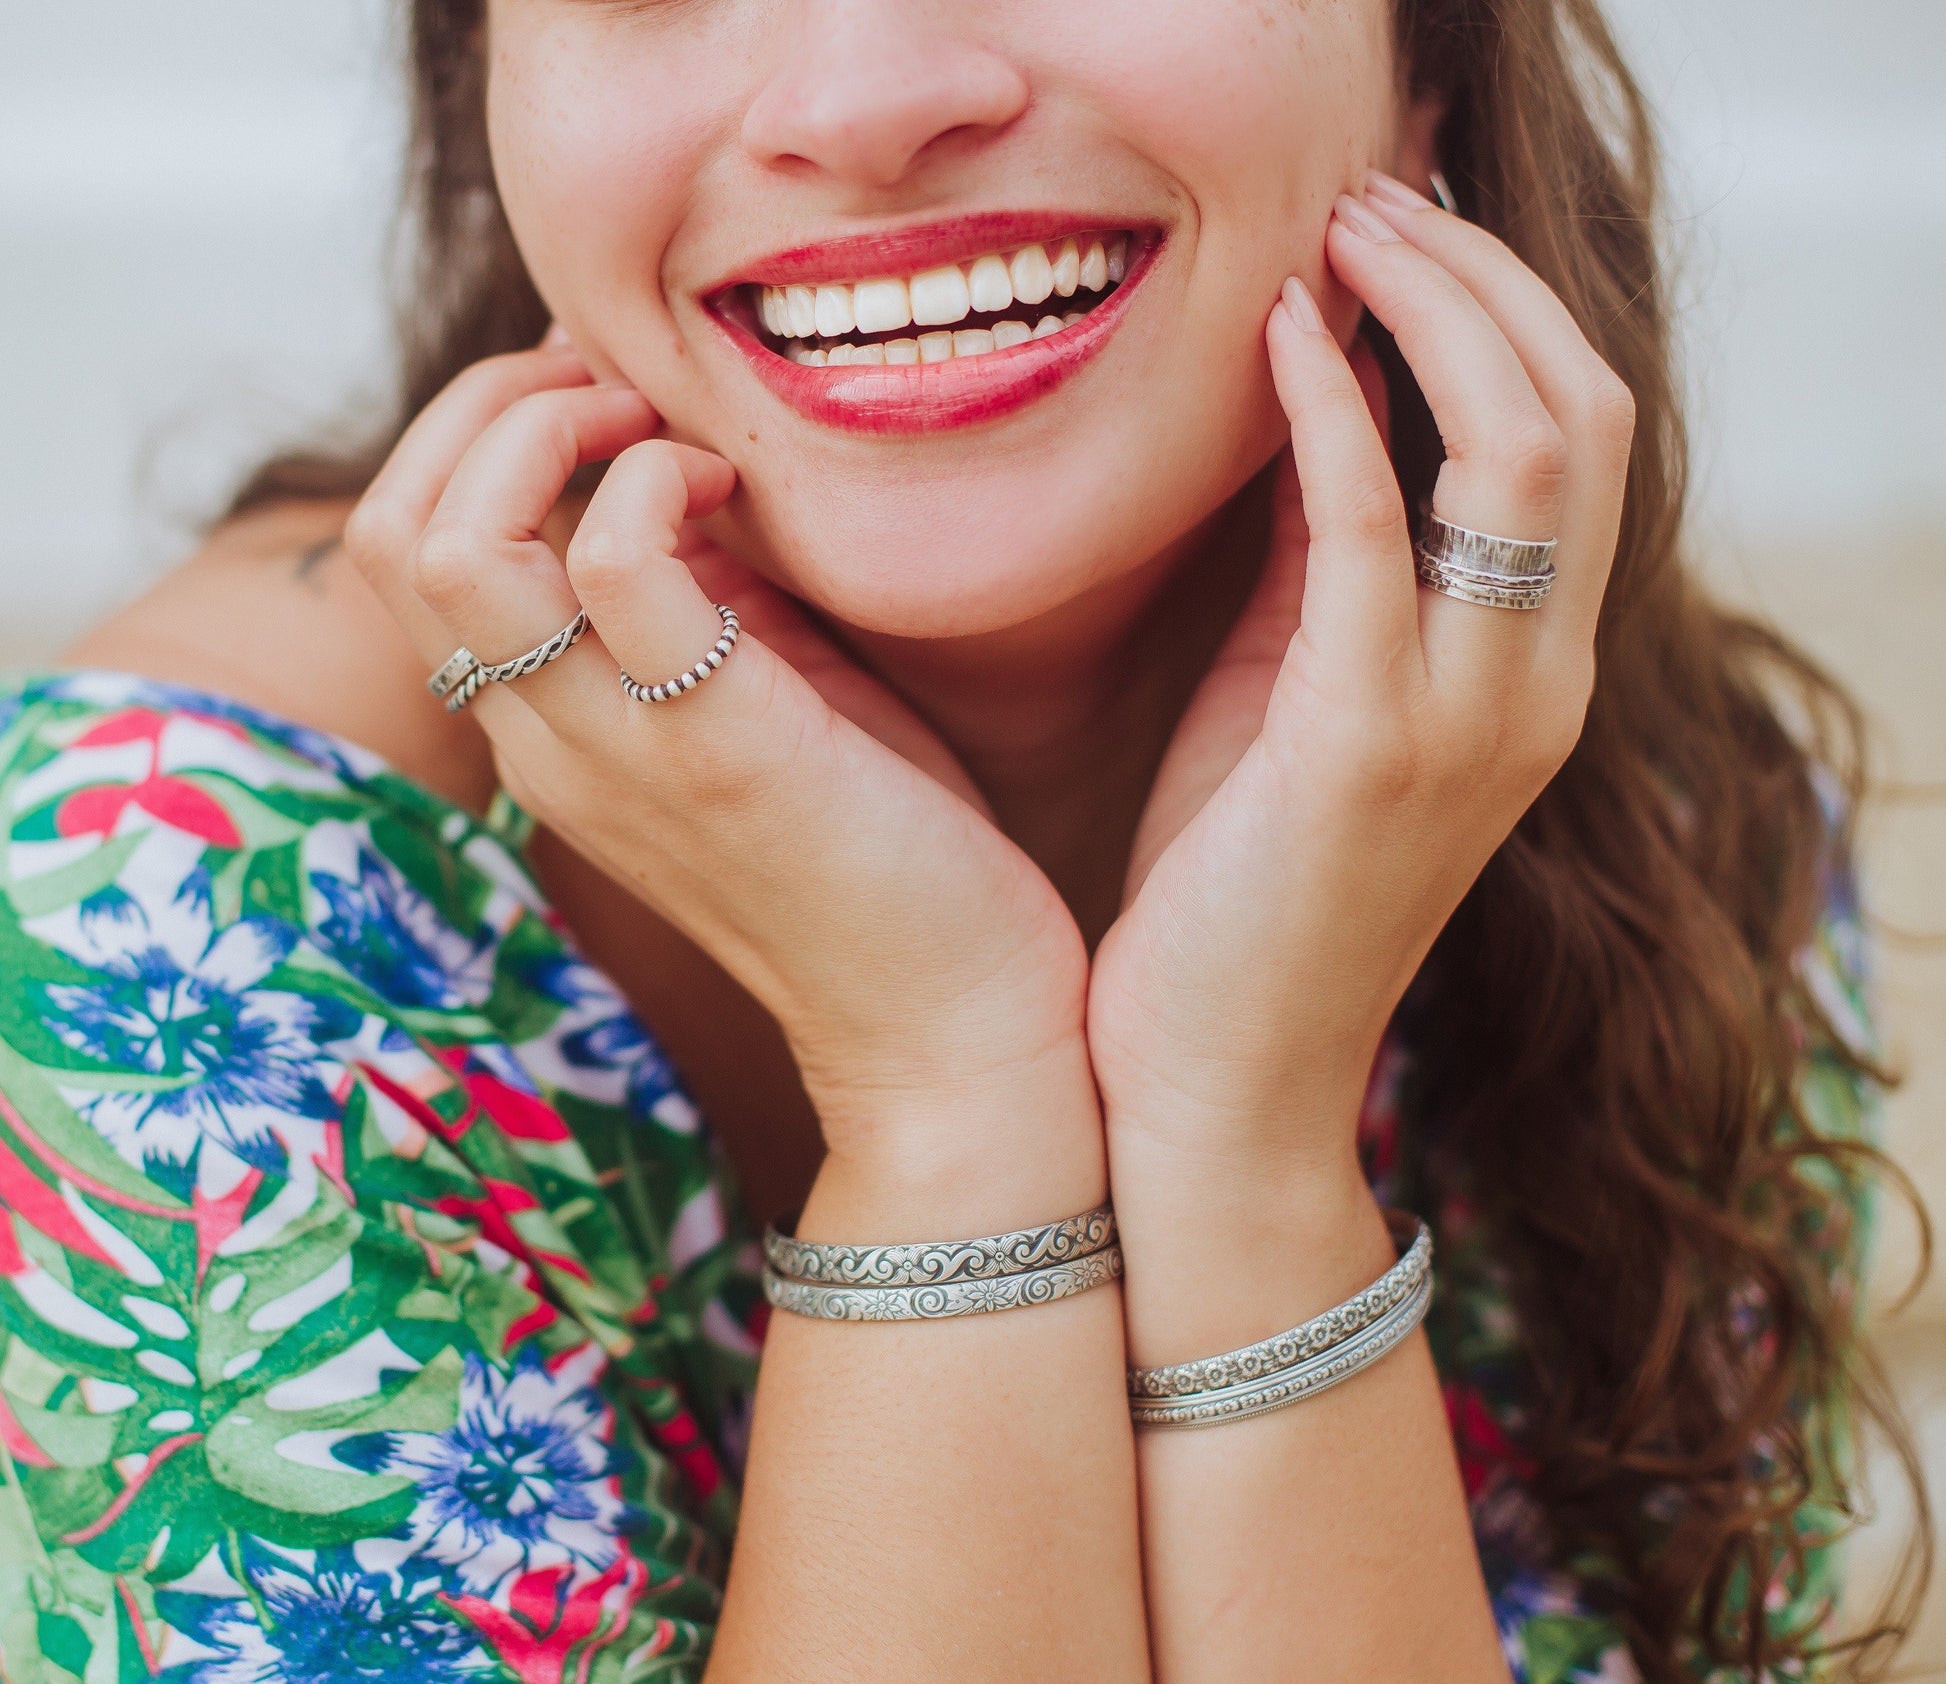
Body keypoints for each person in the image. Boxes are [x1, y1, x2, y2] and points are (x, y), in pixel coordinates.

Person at [0, 0, 1921, 1679]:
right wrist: (946, 1092)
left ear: (1422, 52)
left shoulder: (1657, 807)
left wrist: (1241, 1144)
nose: (860, 93)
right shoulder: (163, 902)